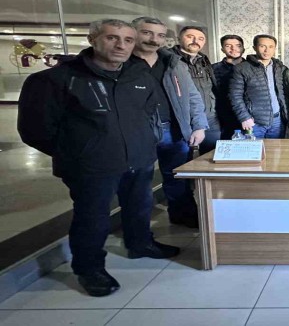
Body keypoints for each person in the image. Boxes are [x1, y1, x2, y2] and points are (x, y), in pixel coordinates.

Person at [17, 19, 179, 298]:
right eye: (112, 38)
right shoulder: (56, 79)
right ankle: (89, 269)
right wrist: (78, 153)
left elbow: (150, 112)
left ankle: (140, 244)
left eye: (128, 40)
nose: (121, 45)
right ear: (93, 39)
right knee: (92, 218)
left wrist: (146, 143)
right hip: (91, 166)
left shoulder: (139, 75)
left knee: (140, 206)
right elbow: (35, 130)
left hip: (138, 158)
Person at [131, 17, 208, 229]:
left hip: (174, 130)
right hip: (138, 133)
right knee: (138, 183)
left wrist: (199, 125)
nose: (153, 39)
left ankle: (182, 216)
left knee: (177, 178)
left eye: (160, 35)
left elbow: (193, 96)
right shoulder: (123, 64)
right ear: (133, 33)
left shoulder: (174, 63)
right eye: (147, 33)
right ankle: (139, 232)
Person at [170, 26, 221, 154]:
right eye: (190, 37)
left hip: (210, 117)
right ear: (178, 38)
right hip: (183, 119)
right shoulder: (170, 60)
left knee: (212, 156)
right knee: (182, 160)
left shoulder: (203, 60)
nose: (195, 41)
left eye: (200, 38)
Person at [229, 34, 288, 139]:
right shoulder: (242, 68)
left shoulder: (281, 68)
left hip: (277, 121)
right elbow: (235, 96)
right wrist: (244, 117)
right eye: (262, 46)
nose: (267, 50)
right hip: (253, 122)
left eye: (271, 47)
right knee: (252, 149)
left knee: (275, 149)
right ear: (255, 48)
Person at [212, 34, 245, 139]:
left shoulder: (252, 67)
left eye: (238, 45)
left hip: (249, 116)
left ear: (243, 48)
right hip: (225, 117)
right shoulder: (213, 69)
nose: (233, 48)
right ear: (222, 49)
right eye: (228, 46)